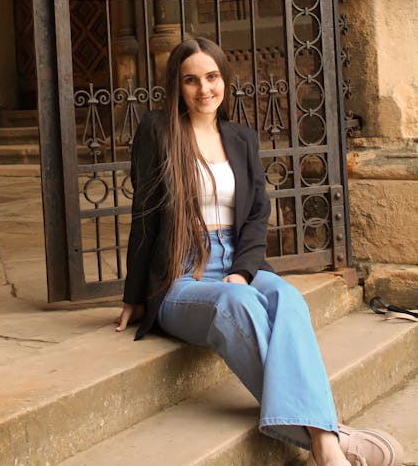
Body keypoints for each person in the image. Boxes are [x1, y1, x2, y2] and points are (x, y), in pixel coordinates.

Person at [116, 36, 403, 466]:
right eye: (191, 80)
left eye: (212, 77)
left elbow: (255, 213)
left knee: (286, 296)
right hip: (182, 273)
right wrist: (134, 296)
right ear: (177, 86)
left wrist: (243, 269)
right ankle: (331, 438)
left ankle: (325, 443)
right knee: (237, 302)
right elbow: (143, 216)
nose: (203, 89)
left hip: (235, 257)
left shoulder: (241, 138)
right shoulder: (157, 131)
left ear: (224, 81)